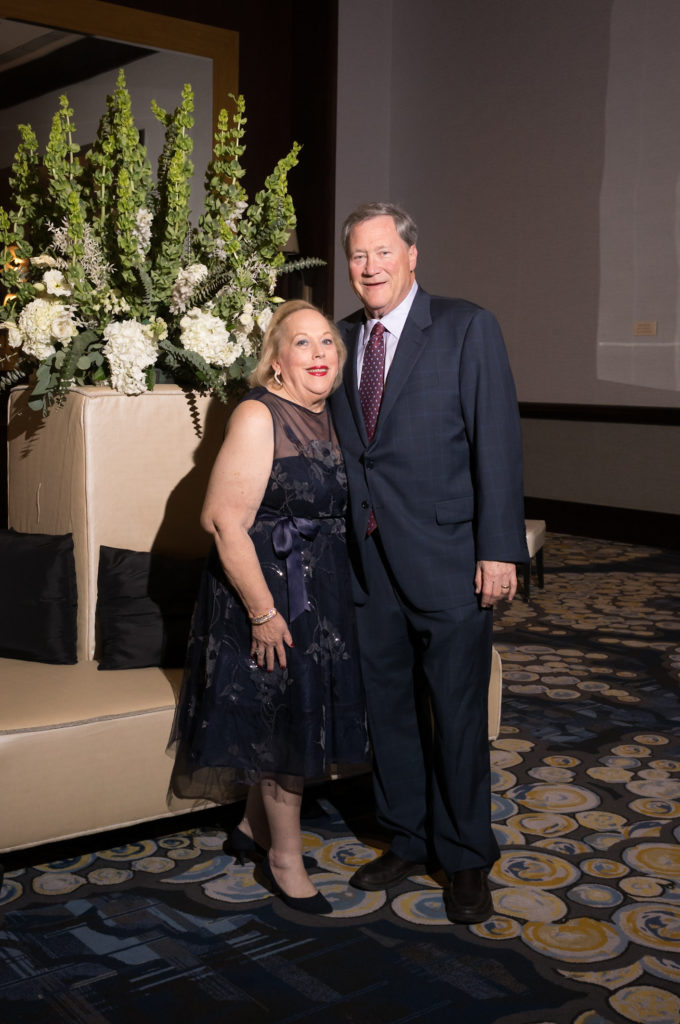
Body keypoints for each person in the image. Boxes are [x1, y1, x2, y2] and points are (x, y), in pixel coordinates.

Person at [330, 202, 529, 924]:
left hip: (450, 556)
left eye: (383, 252)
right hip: (369, 559)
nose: (370, 267)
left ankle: (467, 854)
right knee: (388, 709)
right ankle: (409, 836)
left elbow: (495, 443)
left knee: (456, 710)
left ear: (413, 255)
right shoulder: (342, 338)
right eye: (357, 255)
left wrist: (499, 548)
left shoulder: (467, 326)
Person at [168, 299, 368, 916]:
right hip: (268, 590)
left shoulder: (331, 413)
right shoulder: (259, 415)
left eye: (327, 343)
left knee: (295, 713)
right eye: (302, 344)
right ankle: (285, 857)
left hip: (321, 589)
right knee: (286, 722)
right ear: (276, 360)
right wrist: (261, 612)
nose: (319, 354)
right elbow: (222, 521)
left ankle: (254, 829)